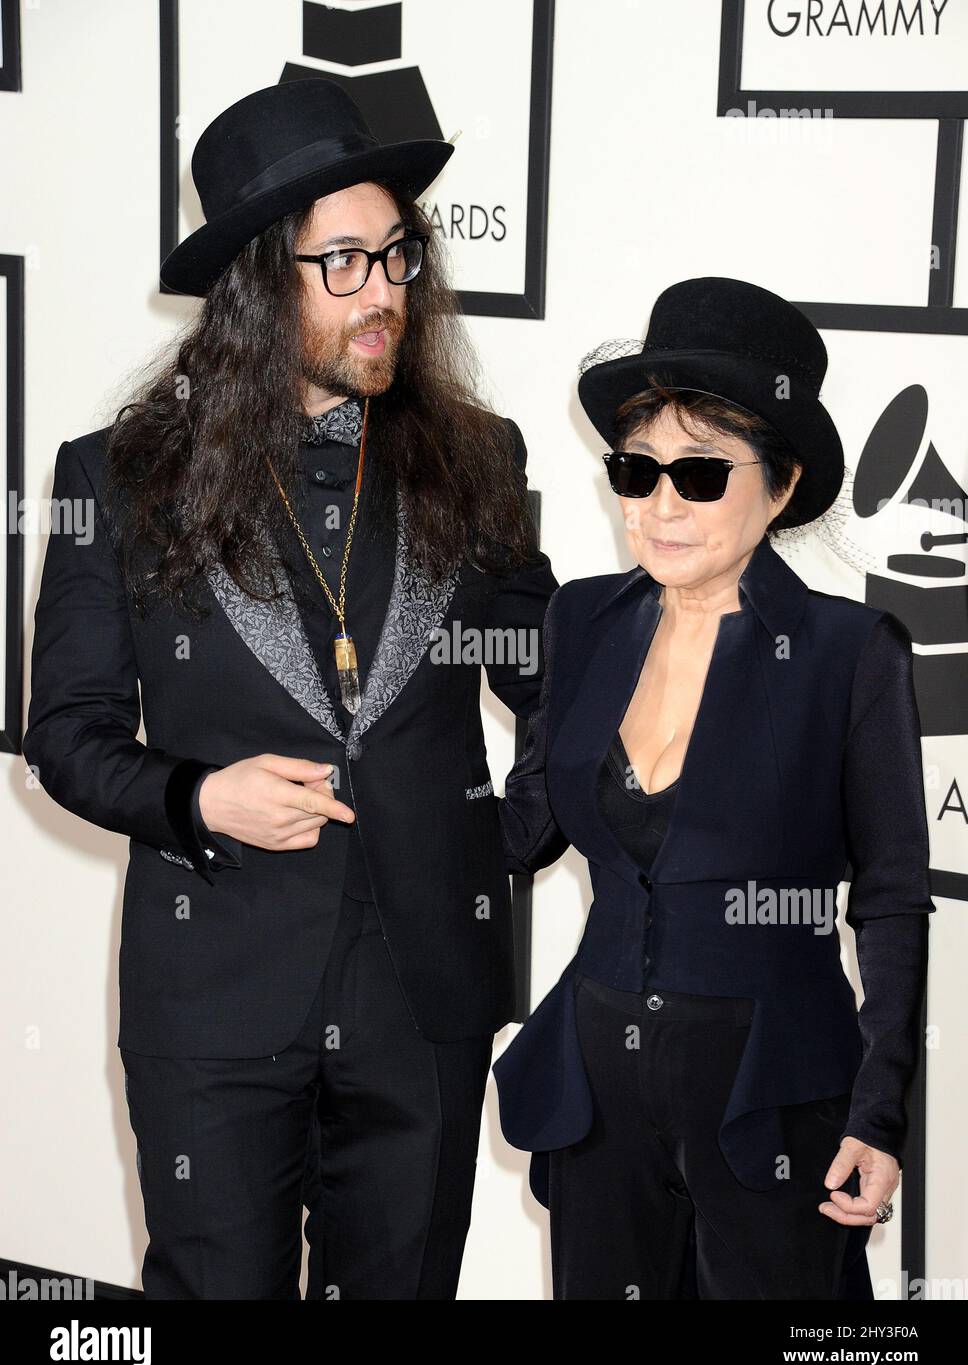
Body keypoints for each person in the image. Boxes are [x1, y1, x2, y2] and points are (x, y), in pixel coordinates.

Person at [22, 78, 557, 1300]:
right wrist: (199, 797)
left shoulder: (476, 456)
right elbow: (68, 732)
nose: (385, 293)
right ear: (261, 282)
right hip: (215, 993)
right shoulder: (115, 475)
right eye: (346, 263)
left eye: (398, 255)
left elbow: (551, 678)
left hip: (424, 998)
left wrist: (515, 832)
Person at [492, 276, 935, 1300]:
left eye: (698, 474)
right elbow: (527, 828)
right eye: (634, 470)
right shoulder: (583, 621)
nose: (656, 507)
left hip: (771, 1088)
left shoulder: (845, 653)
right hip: (599, 1085)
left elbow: (890, 898)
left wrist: (878, 1109)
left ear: (778, 486)